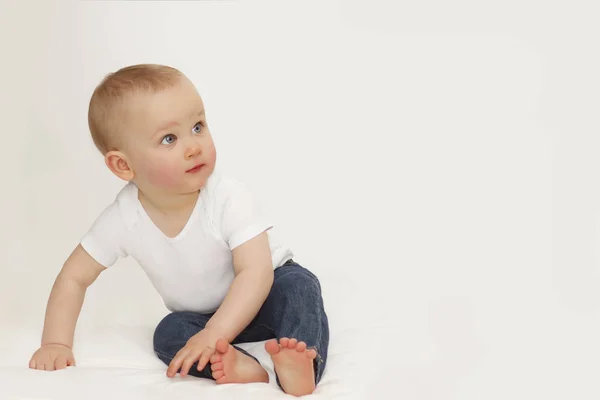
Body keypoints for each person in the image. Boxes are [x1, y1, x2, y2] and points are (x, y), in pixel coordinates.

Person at [28, 64, 329, 397]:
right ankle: (242, 365)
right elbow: (74, 276)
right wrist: (55, 342)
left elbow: (255, 273)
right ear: (124, 166)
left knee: (300, 288)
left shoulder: (228, 196)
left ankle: (301, 365)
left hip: (268, 293)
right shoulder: (124, 218)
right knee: (169, 332)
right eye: (169, 138)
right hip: (203, 316)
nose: (193, 146)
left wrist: (215, 331)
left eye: (198, 126)